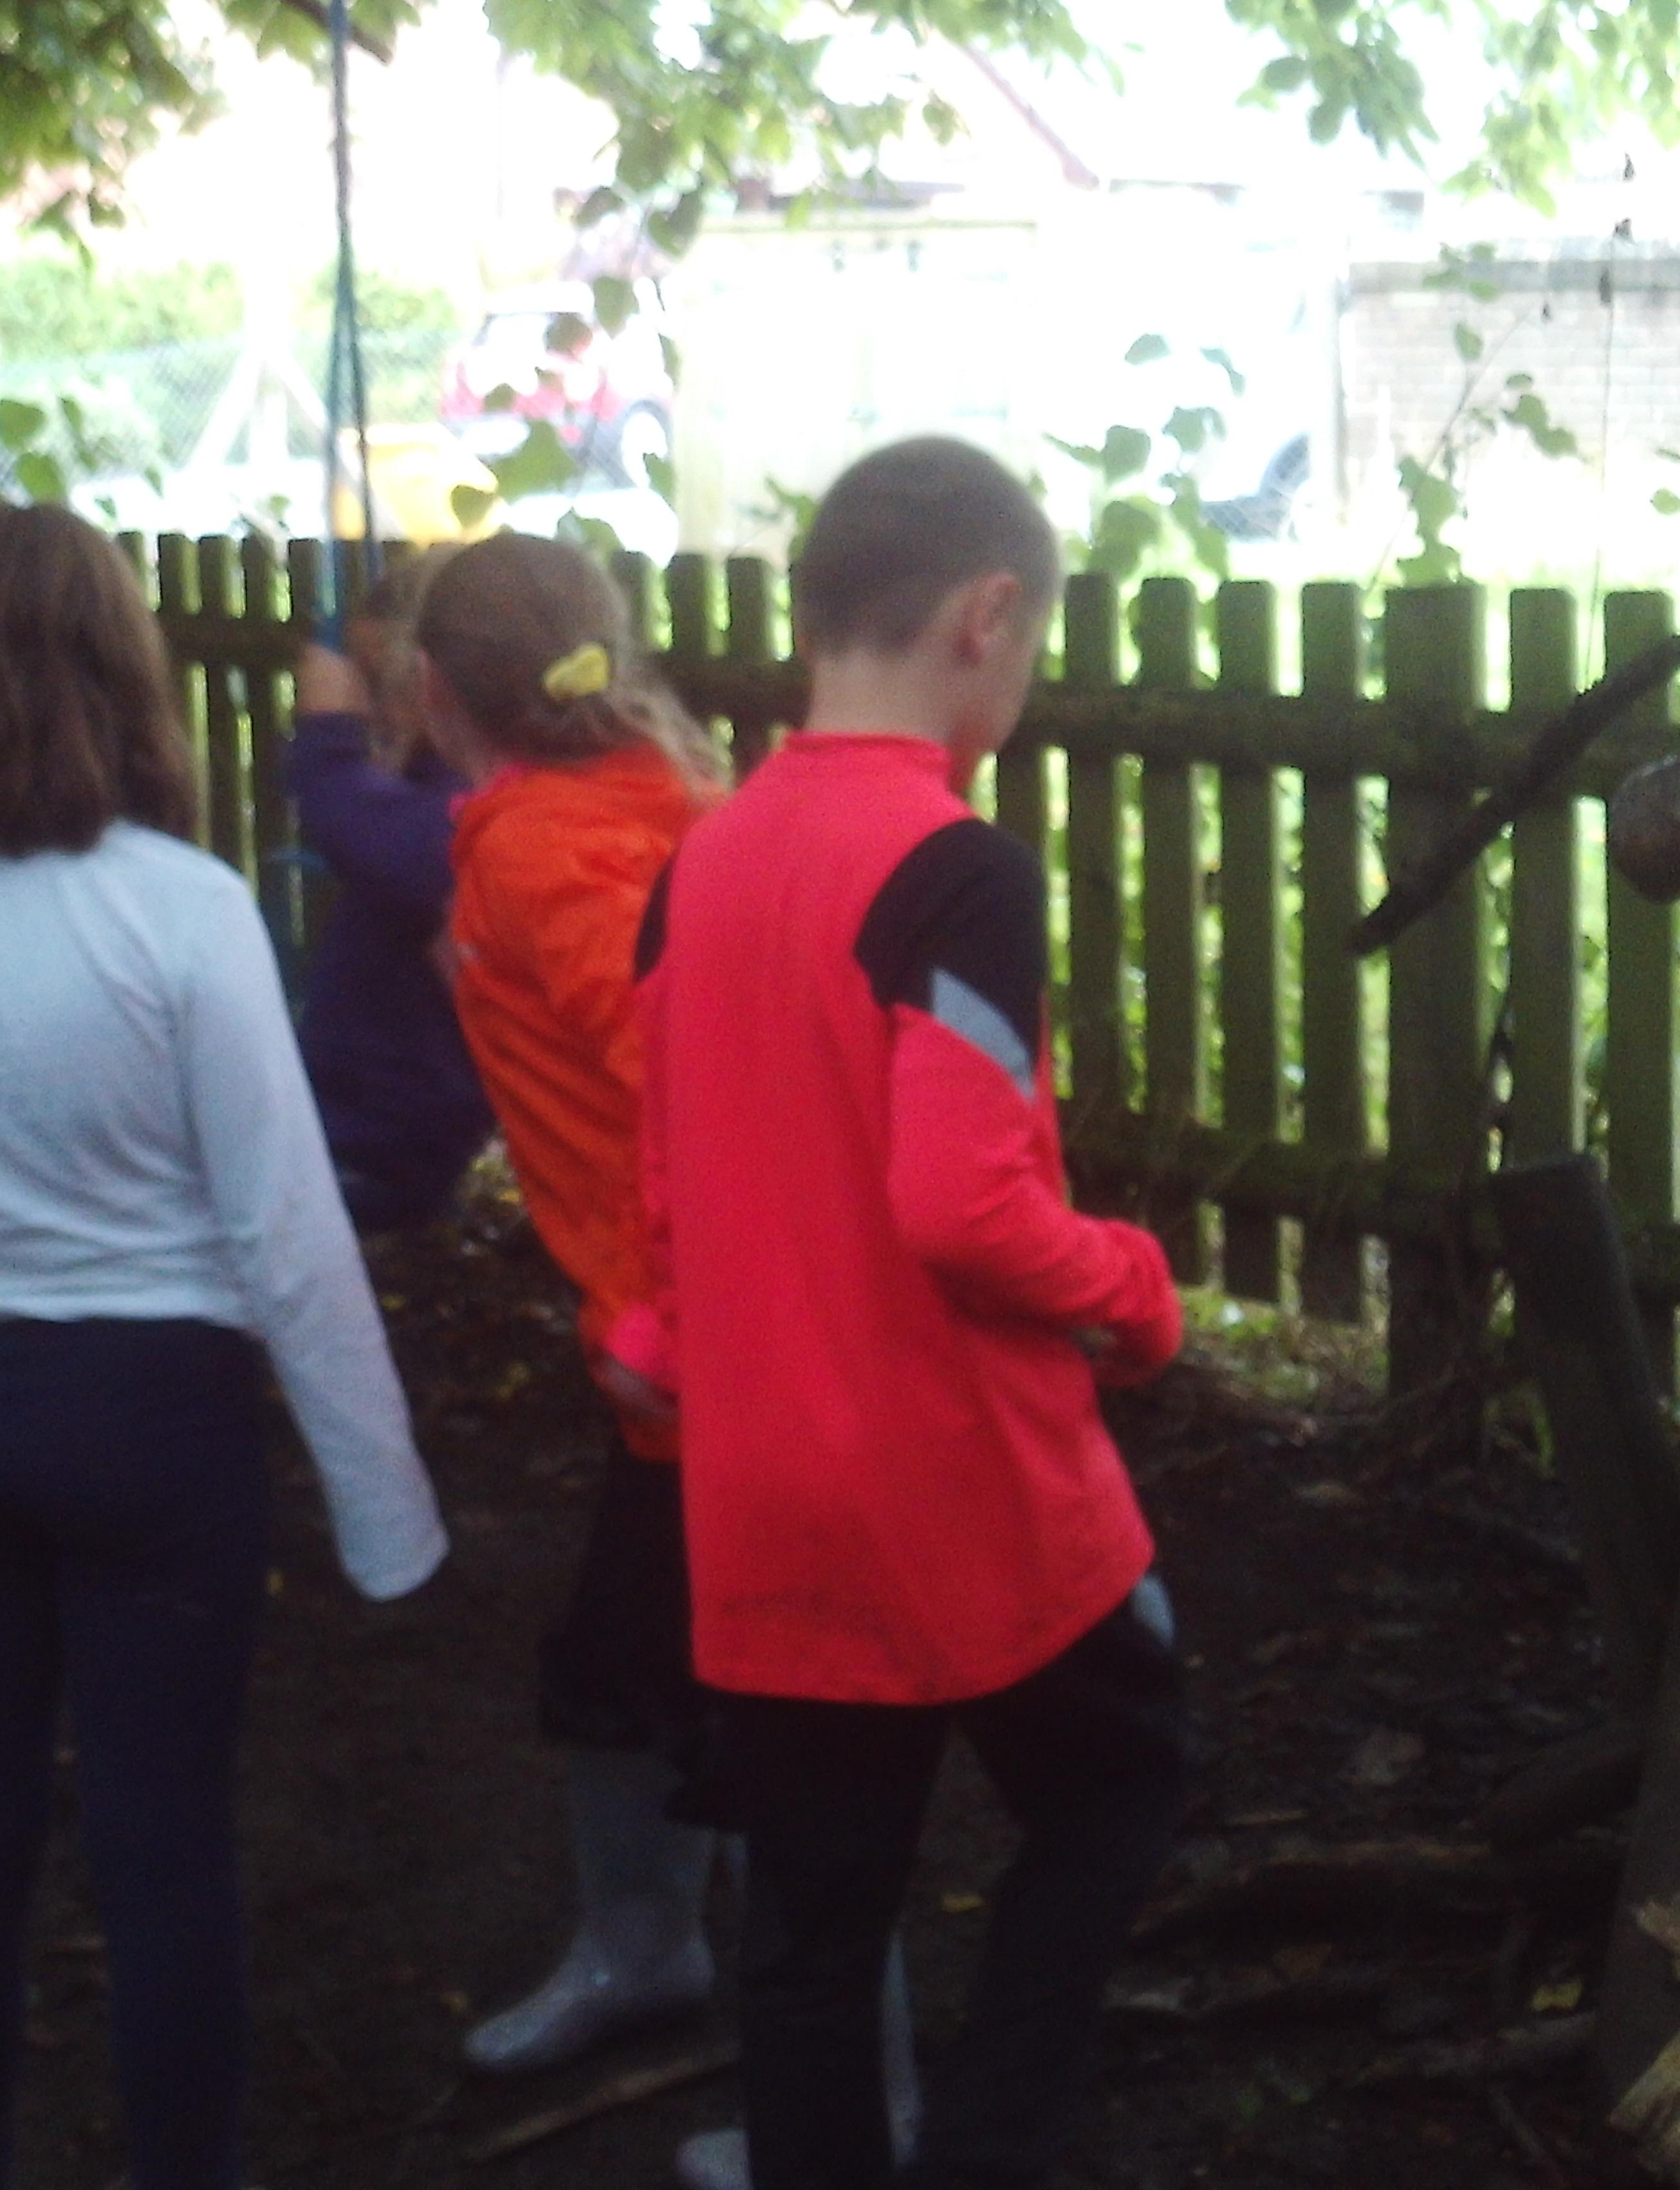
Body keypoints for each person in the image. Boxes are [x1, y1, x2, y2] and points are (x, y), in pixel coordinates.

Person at [0, 503, 448, 2190]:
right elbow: (284, 1232)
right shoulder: (187, 912)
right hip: (153, 1431)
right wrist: (386, 1516)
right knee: (163, 1847)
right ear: (122, 673)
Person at [626, 436, 1190, 2190]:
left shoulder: (698, 868)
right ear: (985, 616)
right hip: (961, 1489)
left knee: (810, 1934)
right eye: (1035, 649)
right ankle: (989, 2151)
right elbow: (961, 1205)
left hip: (762, 1499)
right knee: (1119, 1789)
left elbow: (667, 1202)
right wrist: (1135, 1289)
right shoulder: (954, 870)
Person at [409, 535, 726, 2076]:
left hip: (701, 1357)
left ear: (431, 689)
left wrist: (661, 1318)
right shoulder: (647, 796)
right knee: (637, 1663)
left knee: (682, 1685)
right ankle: (656, 1947)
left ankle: (705, 1987)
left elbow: (695, 1081)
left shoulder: (543, 851)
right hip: (701, 1344)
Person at [284, 550, 494, 1232]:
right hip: (363, 1135)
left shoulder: (468, 818)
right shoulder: (440, 791)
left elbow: (370, 831)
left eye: (377, 682)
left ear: (429, 681)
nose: (368, 707)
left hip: (383, 1151)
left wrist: (328, 735)